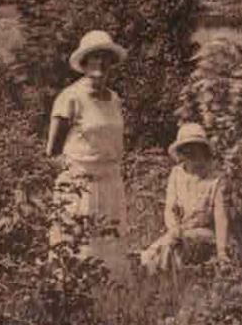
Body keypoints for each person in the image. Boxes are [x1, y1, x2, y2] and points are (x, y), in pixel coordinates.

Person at [46, 30, 129, 262]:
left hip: (111, 183)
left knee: (110, 248)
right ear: (84, 62)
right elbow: (52, 150)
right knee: (79, 249)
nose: (100, 62)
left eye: (105, 57)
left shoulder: (114, 99)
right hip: (81, 187)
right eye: (94, 57)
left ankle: (111, 297)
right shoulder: (70, 97)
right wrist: (72, 183)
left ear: (112, 62)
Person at [140, 123, 232, 273]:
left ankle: (173, 273)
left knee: (171, 248)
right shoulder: (176, 175)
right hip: (178, 231)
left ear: (204, 151)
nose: (193, 156)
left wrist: (222, 251)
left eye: (197, 150)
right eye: (187, 151)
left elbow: (220, 217)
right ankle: (158, 274)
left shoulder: (214, 180)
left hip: (203, 233)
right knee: (156, 252)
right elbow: (170, 208)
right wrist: (174, 229)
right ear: (181, 153)